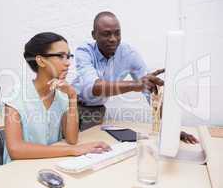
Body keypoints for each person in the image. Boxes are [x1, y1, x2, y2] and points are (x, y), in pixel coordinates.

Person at [72, 11, 198, 144]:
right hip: (71, 105)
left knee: (88, 146)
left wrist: (172, 129)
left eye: (117, 33)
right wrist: (136, 85)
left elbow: (152, 95)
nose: (113, 38)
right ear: (94, 35)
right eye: (106, 33)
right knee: (65, 145)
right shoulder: (84, 51)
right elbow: (94, 87)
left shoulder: (129, 54)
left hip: (96, 110)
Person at [3, 32, 111, 164]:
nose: (68, 63)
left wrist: (72, 97)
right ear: (40, 60)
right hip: (18, 170)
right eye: (61, 56)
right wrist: (73, 150)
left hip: (49, 163)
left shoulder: (62, 95)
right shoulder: (15, 96)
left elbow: (72, 139)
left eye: (68, 56)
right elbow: (16, 150)